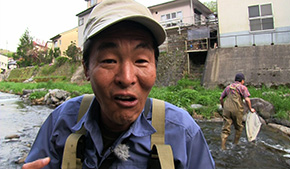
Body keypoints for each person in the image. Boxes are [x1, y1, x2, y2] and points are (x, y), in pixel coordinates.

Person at [23, 0, 215, 168]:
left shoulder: (183, 133)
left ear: (155, 67)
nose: (126, 77)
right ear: (87, 69)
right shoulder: (60, 124)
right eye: (109, 60)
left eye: (140, 60)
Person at [219, 73, 255, 150]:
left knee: (225, 129)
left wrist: (223, 107)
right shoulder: (243, 88)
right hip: (237, 109)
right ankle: (235, 144)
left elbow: (221, 98)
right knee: (239, 127)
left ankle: (223, 147)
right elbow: (247, 99)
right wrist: (250, 109)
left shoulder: (228, 87)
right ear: (242, 80)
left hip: (227, 109)